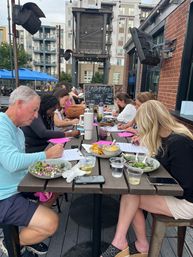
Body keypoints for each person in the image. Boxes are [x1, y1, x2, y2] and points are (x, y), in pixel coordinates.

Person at [101, 100, 193, 257]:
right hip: (177, 194)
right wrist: (147, 146)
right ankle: (137, 244)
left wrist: (156, 185)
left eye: (140, 125)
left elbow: (185, 188)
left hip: (188, 202)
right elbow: (163, 160)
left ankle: (121, 243)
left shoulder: (179, 143)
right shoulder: (167, 135)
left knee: (130, 194)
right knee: (131, 193)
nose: (139, 129)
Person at [0, 86, 64, 257]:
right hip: (4, 196)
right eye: (34, 110)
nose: (36, 115)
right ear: (19, 104)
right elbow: (12, 163)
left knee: (53, 191)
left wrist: (41, 178)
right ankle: (9, 242)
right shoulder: (1, 126)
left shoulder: (17, 131)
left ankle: (30, 235)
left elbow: (19, 165)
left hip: (18, 186)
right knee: (51, 222)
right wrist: (46, 155)